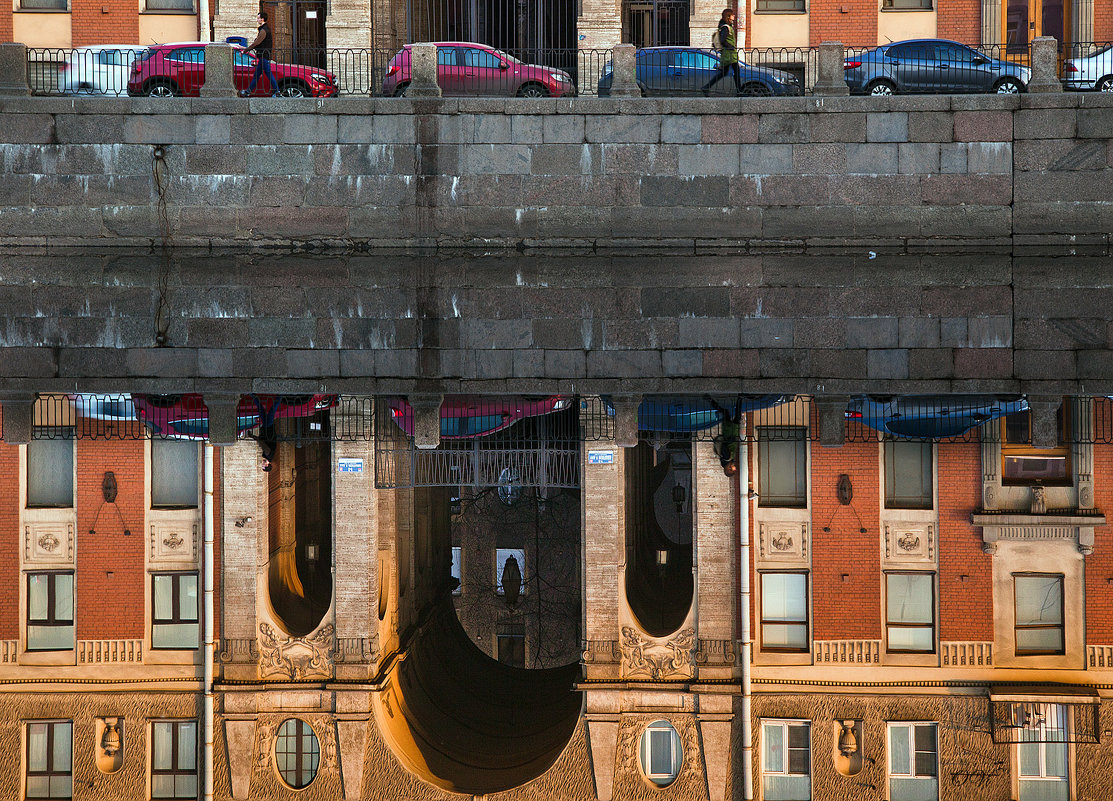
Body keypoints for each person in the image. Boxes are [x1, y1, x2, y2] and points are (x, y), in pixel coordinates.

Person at [701, 8, 744, 96]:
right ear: (728, 16)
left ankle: (706, 87)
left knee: (724, 72)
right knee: (736, 71)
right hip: (729, 54)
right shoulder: (726, 27)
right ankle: (739, 91)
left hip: (729, 53)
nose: (734, 16)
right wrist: (731, 47)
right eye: (732, 15)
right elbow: (722, 40)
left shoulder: (727, 26)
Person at [241, 11, 278, 97]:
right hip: (262, 56)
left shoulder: (264, 30)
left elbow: (257, 43)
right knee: (257, 75)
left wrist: (245, 50)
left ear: (262, 19)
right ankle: (248, 92)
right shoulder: (263, 29)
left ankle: (277, 91)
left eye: (258, 18)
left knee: (268, 74)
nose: (257, 20)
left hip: (264, 56)